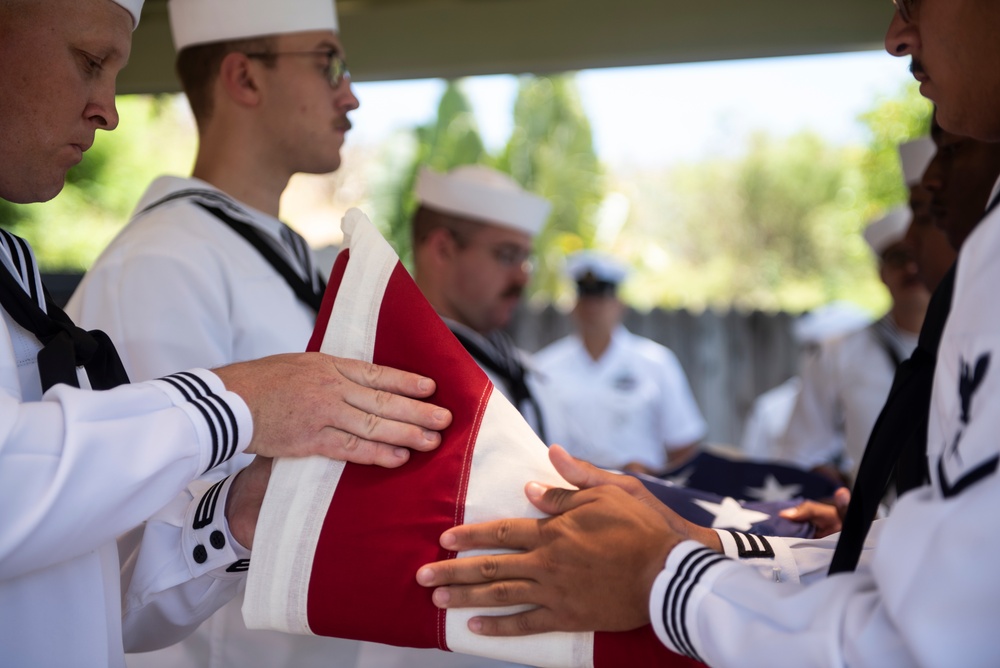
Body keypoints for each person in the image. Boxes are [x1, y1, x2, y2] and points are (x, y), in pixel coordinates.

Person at [415, 2, 1000, 664]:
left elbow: (934, 633)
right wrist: (695, 538)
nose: (896, 34)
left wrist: (666, 569)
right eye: (504, 256)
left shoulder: (640, 362)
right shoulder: (521, 363)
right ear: (441, 248)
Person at [0, 1, 451, 665]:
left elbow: (96, 583)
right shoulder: (160, 263)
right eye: (92, 62)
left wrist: (238, 513)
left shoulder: (293, 261)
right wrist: (240, 401)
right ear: (243, 79)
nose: (110, 110)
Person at [776, 206, 930, 485]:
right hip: (875, 519)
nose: (910, 267)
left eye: (919, 255)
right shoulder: (837, 352)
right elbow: (801, 453)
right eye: (898, 258)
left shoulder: (978, 343)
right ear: (881, 272)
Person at [409, 164, 557, 442]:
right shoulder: (405, 377)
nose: (522, 277)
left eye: (525, 259)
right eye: (507, 255)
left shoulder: (517, 366)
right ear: (443, 250)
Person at [534, 250, 706, 473]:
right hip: (567, 495)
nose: (592, 307)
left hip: (637, 496)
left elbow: (684, 444)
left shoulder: (655, 362)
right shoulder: (544, 368)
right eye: (585, 297)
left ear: (620, 304)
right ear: (574, 305)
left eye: (601, 297)